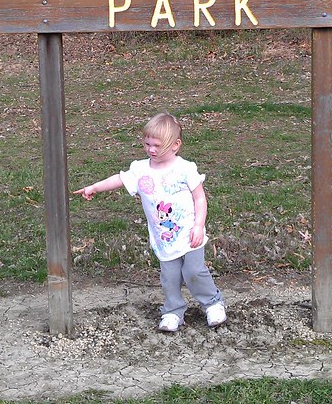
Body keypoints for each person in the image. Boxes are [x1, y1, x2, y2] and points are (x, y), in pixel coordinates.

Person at [73, 112, 227, 332]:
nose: (151, 150)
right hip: (163, 239)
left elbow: (199, 198)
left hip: (189, 234)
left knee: (194, 272)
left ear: (175, 145)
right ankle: (173, 311)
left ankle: (213, 303)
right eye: (147, 144)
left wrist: (199, 225)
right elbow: (119, 179)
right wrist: (94, 187)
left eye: (157, 145)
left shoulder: (185, 169)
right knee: (170, 277)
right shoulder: (141, 169)